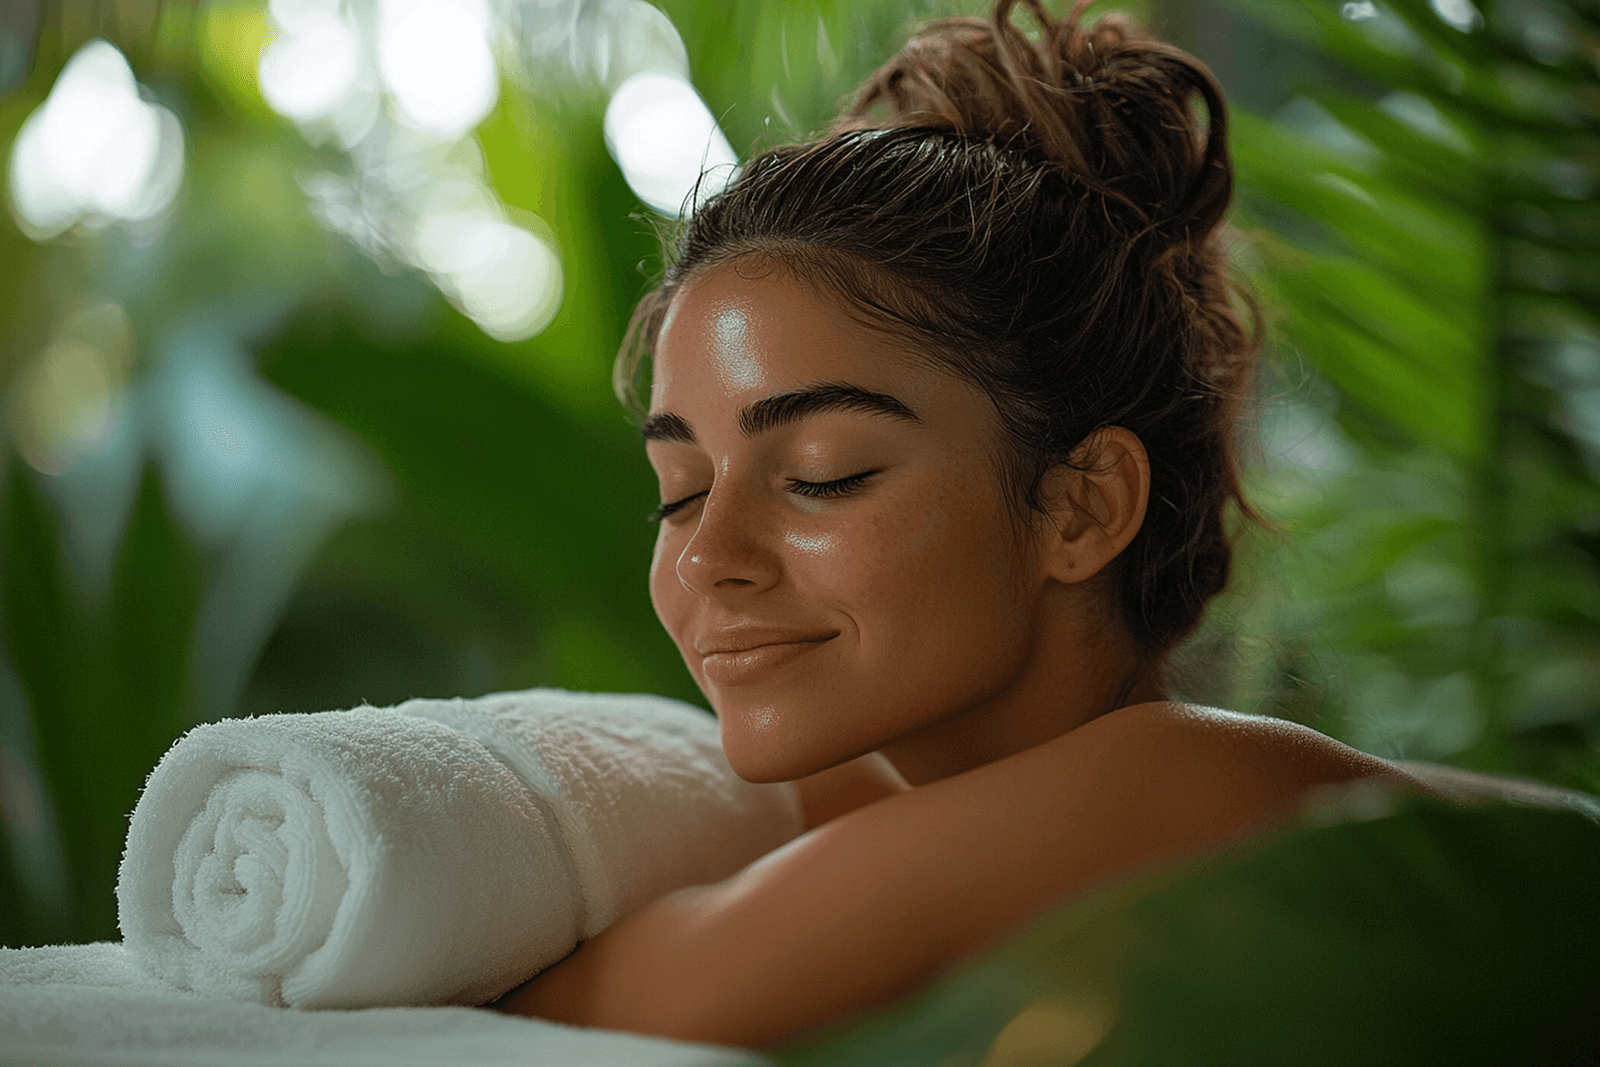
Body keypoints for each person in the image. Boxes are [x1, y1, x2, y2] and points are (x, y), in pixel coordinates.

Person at [495, 0, 1425, 1047]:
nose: (706, 554)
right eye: (680, 487)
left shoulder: (1184, 782)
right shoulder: (929, 798)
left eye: (823, 474)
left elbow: (609, 1002)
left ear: (1081, 505)